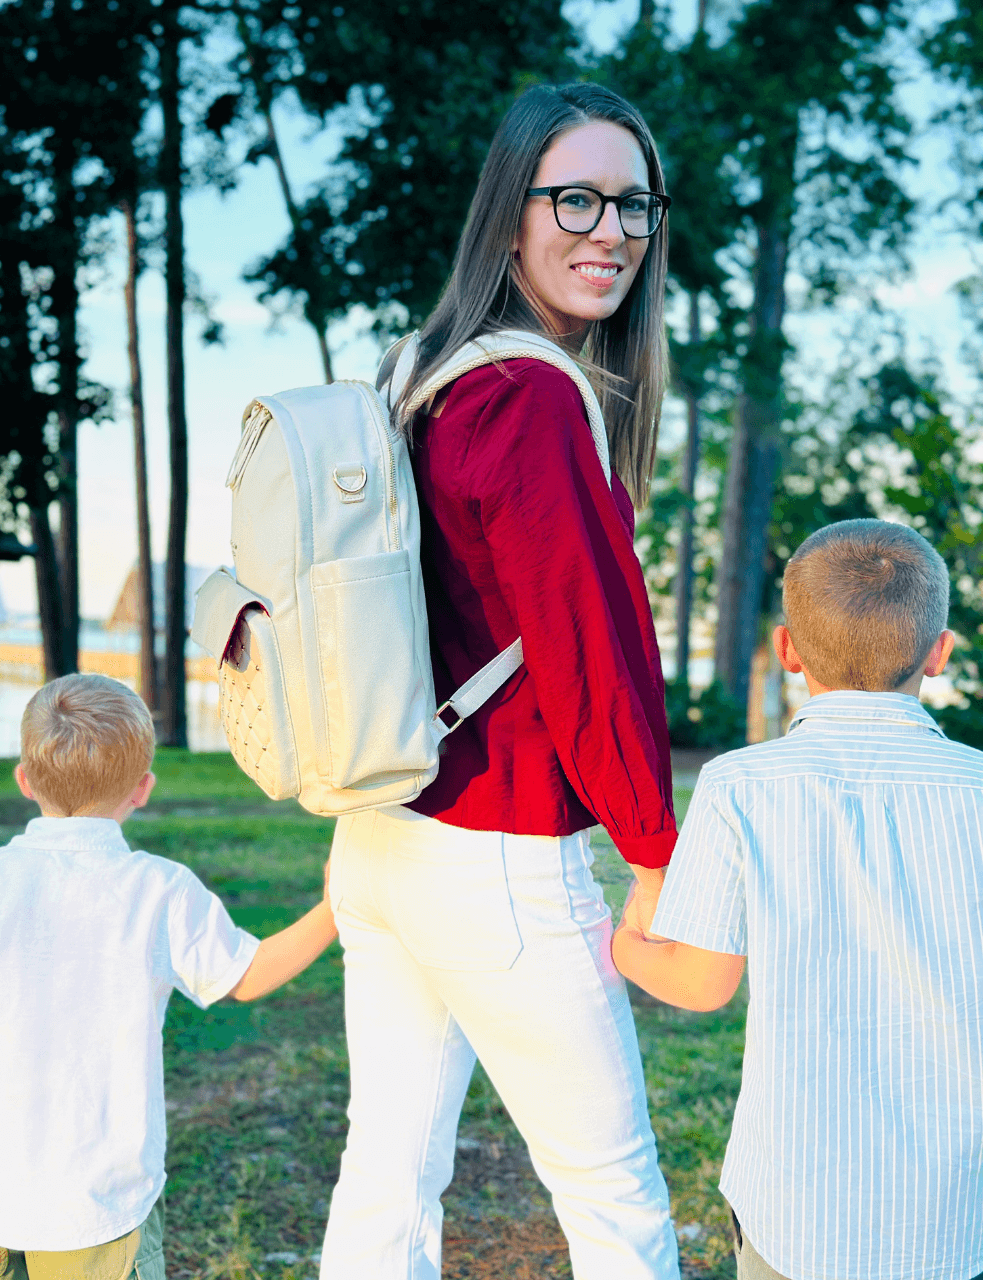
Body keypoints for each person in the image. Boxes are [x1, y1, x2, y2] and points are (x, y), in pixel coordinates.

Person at [321, 83, 679, 1280]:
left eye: (632, 203)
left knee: (387, 1170)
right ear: (509, 215)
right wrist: (655, 851)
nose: (611, 229)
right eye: (574, 196)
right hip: (498, 852)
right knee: (613, 1189)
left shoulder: (421, 370)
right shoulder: (527, 395)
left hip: (382, 832)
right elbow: (587, 650)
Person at [613, 519, 983, 1280]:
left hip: (798, 1207)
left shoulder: (739, 786)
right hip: (959, 1205)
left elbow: (701, 983)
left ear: (787, 649)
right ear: (940, 654)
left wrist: (626, 940)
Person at [0, 673, 337, 1280]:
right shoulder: (159, 891)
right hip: (101, 1207)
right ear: (143, 790)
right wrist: (330, 912)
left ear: (25, 780)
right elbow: (247, 974)